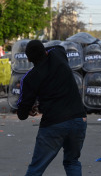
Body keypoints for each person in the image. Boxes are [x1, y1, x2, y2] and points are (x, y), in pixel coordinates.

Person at [17, 40, 87, 176]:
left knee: (36, 168)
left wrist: (29, 109)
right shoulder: (58, 55)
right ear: (45, 51)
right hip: (78, 119)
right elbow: (58, 46)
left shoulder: (30, 78)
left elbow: (22, 114)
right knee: (72, 161)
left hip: (54, 124)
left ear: (29, 59)